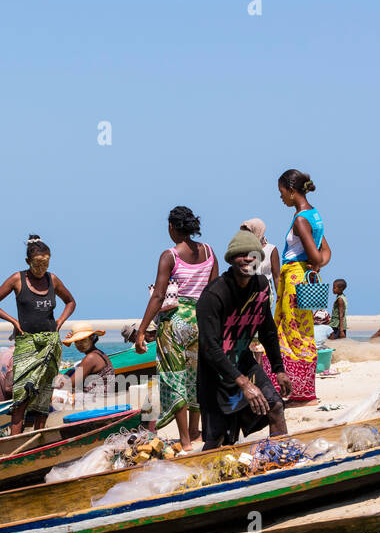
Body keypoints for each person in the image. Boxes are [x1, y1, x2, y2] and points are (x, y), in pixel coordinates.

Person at [196, 230, 293, 448]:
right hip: (216, 373)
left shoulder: (261, 286)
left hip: (243, 363)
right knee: (220, 438)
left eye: (253, 255)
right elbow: (210, 347)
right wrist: (244, 384)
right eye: (241, 255)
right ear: (231, 259)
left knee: (275, 406)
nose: (248, 259)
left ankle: (283, 458)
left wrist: (278, 369)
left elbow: (267, 330)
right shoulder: (214, 295)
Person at [134, 207, 218, 450]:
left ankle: (184, 440)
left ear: (172, 227)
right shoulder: (209, 251)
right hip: (201, 319)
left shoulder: (169, 255)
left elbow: (159, 295)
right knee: (196, 375)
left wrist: (141, 330)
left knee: (174, 377)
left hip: (175, 322)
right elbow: (214, 291)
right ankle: (195, 431)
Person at [0, 235, 76, 433]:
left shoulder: (52, 280)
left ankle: (38, 436)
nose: (41, 268)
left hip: (50, 345)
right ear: (28, 262)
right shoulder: (18, 279)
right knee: (22, 395)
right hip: (27, 344)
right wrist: (13, 320)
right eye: (37, 264)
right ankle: (14, 440)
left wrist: (60, 321)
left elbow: (71, 301)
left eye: (45, 263)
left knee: (44, 393)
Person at [274, 169, 331, 404]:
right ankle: (303, 391)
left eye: (282, 193)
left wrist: (312, 264)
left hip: (295, 281)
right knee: (303, 331)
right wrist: (316, 266)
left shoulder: (300, 219)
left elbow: (317, 257)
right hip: (304, 276)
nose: (281, 198)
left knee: (292, 333)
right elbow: (326, 252)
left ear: (291, 190)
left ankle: (299, 393)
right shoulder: (315, 215)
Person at [60, 325, 116, 408]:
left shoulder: (91, 358)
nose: (79, 344)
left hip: (97, 400)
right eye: (76, 341)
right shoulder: (98, 353)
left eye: (83, 340)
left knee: (56, 394)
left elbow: (69, 384)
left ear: (91, 338)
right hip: (103, 397)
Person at [240, 217, 280, 291]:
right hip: (247, 292)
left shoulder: (271, 249)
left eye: (250, 232)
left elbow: (277, 276)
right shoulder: (243, 250)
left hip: (265, 291)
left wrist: (280, 299)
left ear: (258, 231)